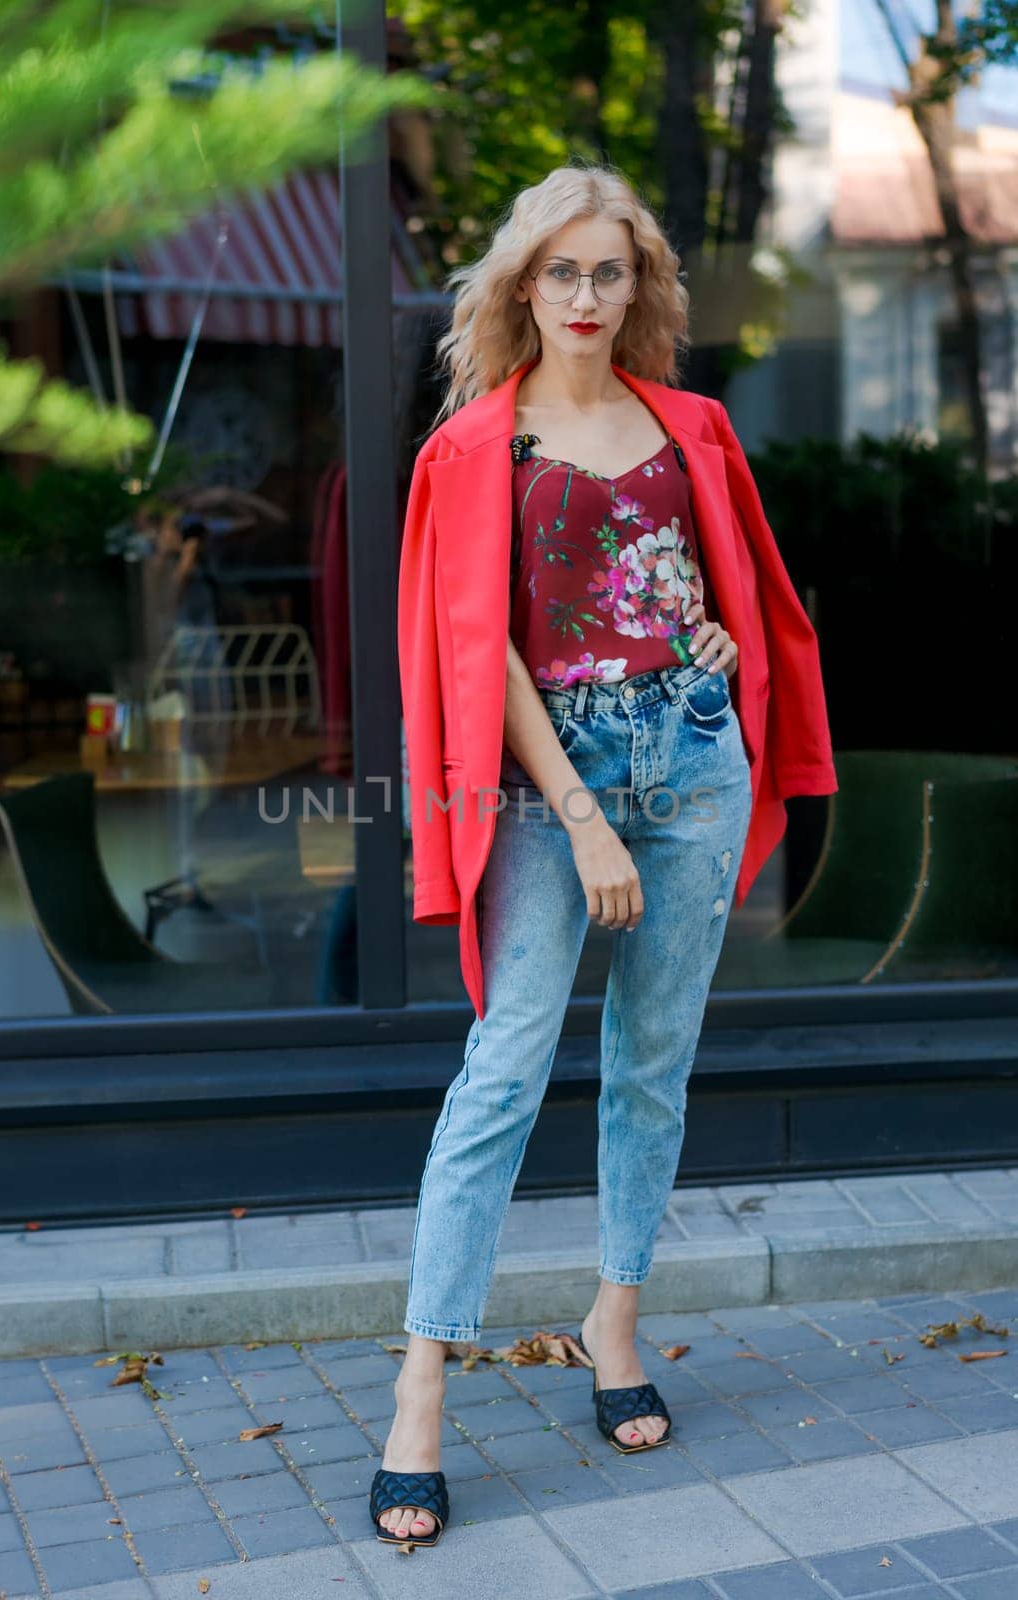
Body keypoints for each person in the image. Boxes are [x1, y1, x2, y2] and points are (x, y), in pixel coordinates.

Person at [373, 163, 837, 1549]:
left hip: (689, 759)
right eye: (560, 271)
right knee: (507, 1066)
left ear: (640, 289)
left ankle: (616, 1321)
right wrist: (575, 810)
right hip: (544, 782)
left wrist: (719, 646)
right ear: (524, 284)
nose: (584, 295)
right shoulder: (475, 447)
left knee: (653, 1057)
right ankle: (422, 1377)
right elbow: (479, 650)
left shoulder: (690, 426)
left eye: (609, 272)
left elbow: (730, 594)